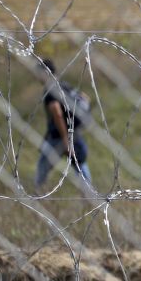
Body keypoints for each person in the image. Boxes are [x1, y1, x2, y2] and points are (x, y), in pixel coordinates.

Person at [35, 59, 92, 189]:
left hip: (59, 136)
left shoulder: (50, 90)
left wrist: (66, 140)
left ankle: (38, 193)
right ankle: (89, 193)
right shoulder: (64, 85)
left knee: (43, 165)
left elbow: (57, 113)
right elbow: (85, 98)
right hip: (73, 131)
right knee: (79, 163)